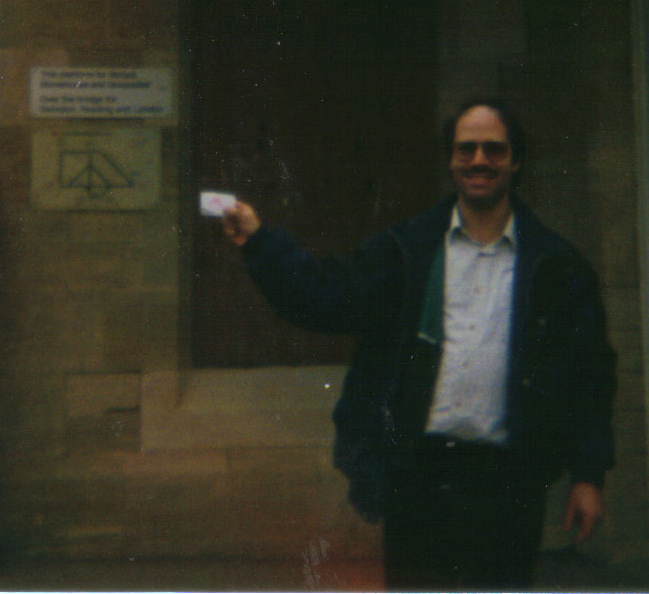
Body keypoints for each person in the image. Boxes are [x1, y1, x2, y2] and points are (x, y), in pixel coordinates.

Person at [221, 98, 617, 591]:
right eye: (466, 149)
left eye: (493, 150)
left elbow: (590, 377)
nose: (479, 161)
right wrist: (262, 245)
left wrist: (587, 475)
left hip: (507, 484)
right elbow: (325, 298)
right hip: (418, 479)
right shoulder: (406, 251)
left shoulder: (557, 266)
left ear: (515, 161)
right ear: (450, 160)